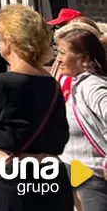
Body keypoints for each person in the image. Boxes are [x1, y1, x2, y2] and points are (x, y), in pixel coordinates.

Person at [0, 5, 72, 211]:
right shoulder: (52, 84)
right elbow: (61, 134)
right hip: (51, 179)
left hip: (11, 182)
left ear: (11, 41)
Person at [55, 25, 107, 208]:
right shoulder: (78, 81)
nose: (58, 59)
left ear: (84, 59)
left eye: (62, 53)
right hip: (75, 166)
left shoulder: (93, 86)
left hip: (93, 172)